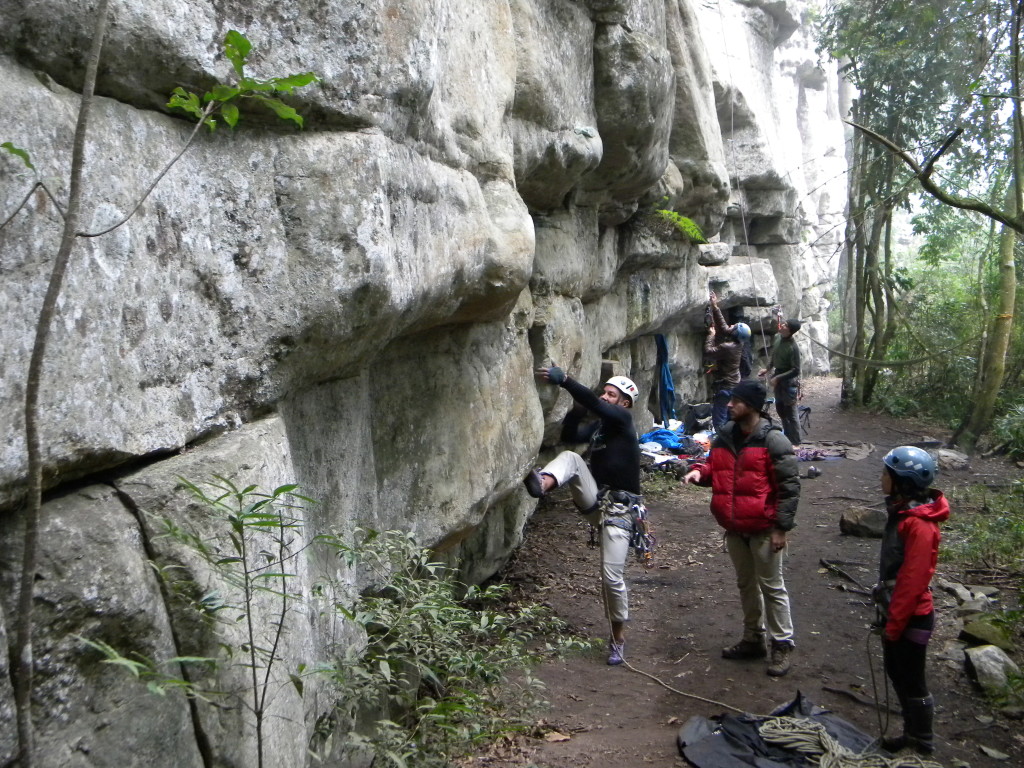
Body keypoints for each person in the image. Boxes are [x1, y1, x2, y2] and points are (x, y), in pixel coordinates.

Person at [523, 366, 643, 667]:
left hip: (620, 512)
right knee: (573, 458)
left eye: (611, 394)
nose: (605, 397)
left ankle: (618, 638)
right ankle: (543, 484)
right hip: (596, 503)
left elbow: (595, 404)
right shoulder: (602, 428)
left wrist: (566, 381)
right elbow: (570, 435)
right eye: (604, 392)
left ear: (624, 403)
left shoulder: (624, 420)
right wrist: (576, 411)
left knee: (611, 577)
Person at [682, 380, 800, 676]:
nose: (730, 405)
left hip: (763, 527)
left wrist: (780, 529)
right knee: (746, 585)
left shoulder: (773, 441)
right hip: (735, 528)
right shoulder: (723, 437)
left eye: (736, 401)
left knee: (772, 587)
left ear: (752, 406)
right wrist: (699, 472)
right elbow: (715, 468)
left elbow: (789, 488)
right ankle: (753, 639)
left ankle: (782, 645)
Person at [872, 446, 949, 756]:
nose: (881, 479)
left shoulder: (918, 524)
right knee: (897, 671)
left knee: (911, 678)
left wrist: (895, 623)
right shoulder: (905, 513)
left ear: (901, 482)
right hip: (898, 610)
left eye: (885, 475)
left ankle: (922, 740)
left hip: (911, 615)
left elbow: (913, 581)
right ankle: (911, 732)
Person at [703, 291, 752, 431]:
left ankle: (721, 441)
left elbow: (708, 352)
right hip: (733, 384)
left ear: (735, 333)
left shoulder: (728, 347)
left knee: (719, 417)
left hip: (725, 386)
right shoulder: (737, 343)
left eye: (733, 326)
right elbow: (725, 329)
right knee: (730, 416)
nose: (731, 326)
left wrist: (711, 335)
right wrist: (715, 306)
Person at [761, 314, 802, 446]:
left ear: (790, 331)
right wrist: (767, 369)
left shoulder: (793, 348)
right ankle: (787, 439)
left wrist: (778, 378)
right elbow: (774, 356)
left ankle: (796, 442)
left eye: (785, 326)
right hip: (778, 378)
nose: (782, 326)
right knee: (781, 410)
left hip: (788, 382)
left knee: (791, 413)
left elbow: (796, 370)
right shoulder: (779, 338)